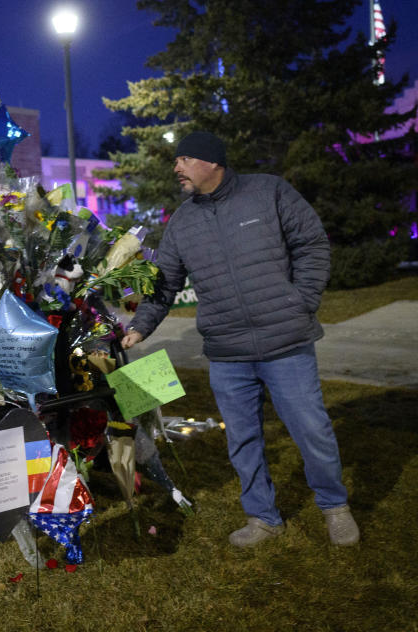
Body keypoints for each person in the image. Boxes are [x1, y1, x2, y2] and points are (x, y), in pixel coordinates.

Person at [120, 131, 359, 547]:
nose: (176, 167)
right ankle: (263, 517)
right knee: (242, 439)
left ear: (213, 162)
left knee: (311, 430)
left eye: (185, 159)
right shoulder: (182, 221)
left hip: (285, 342)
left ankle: (334, 508)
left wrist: (300, 300)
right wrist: (140, 326)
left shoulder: (268, 192)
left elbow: (312, 244)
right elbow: (165, 284)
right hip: (227, 352)